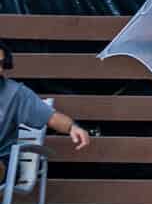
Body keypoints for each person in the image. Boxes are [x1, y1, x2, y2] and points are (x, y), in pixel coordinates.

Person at [1, 40, 91, 187]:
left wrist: (73, 128)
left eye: (1, 64)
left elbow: (52, 118)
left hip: (2, 165)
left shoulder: (16, 94)